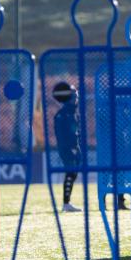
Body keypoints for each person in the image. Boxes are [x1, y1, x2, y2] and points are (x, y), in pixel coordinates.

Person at [53, 81, 82, 213]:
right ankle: (66, 203)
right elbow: (63, 135)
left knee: (73, 173)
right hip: (67, 148)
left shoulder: (73, 112)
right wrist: (70, 147)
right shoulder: (62, 114)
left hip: (74, 146)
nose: (76, 97)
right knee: (70, 172)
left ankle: (67, 202)